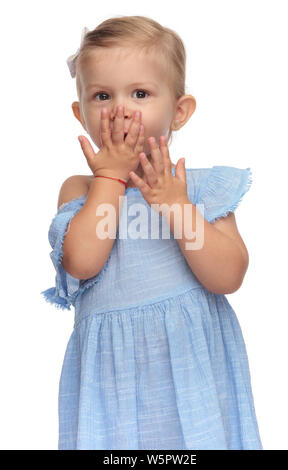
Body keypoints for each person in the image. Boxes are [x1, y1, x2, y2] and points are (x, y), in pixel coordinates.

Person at [41, 15, 263, 450]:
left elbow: (228, 276)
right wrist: (110, 178)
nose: (121, 110)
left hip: (191, 368)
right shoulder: (83, 191)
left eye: (140, 93)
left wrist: (174, 204)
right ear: (80, 113)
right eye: (102, 96)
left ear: (179, 112)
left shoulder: (199, 188)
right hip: (113, 380)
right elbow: (82, 262)